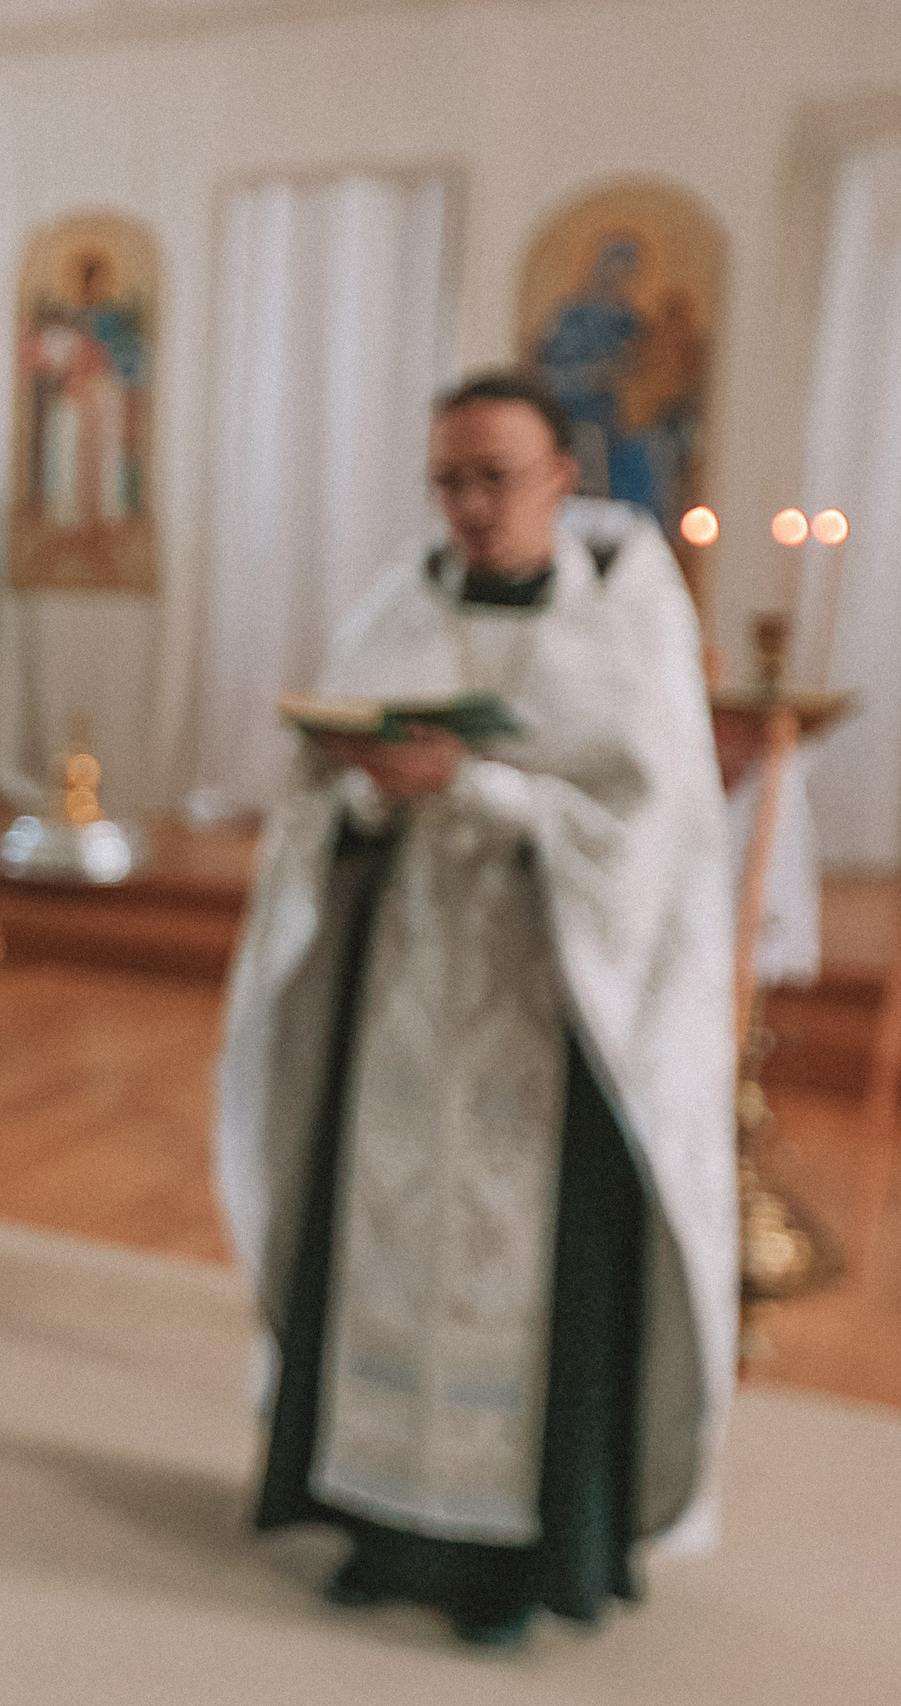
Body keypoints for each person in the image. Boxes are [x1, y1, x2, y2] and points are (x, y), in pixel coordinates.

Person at [215, 370, 737, 1647]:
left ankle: (522, 1558)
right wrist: (363, 788)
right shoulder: (399, 603)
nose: (468, 505)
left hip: (552, 1012)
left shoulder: (628, 623)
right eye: (447, 478)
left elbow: (653, 837)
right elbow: (310, 808)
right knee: (382, 1241)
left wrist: (484, 787)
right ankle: (377, 1522)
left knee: (528, 1275)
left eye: (494, 476)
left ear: (563, 475)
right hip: (406, 985)